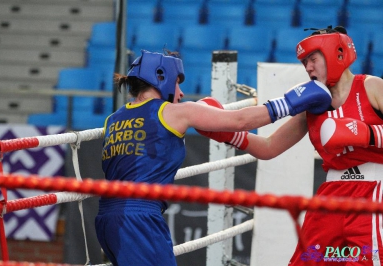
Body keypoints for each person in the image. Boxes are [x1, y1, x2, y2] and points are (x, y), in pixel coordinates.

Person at [94, 49, 332, 266]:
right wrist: (293, 100)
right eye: (177, 83)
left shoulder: (113, 119)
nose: (181, 92)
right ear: (161, 77)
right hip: (139, 218)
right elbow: (241, 120)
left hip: (106, 218)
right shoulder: (175, 111)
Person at [198, 25, 383, 265]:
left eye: (313, 59)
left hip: (374, 192)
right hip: (331, 196)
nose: (308, 68)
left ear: (336, 53)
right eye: (304, 62)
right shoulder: (313, 105)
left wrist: (368, 134)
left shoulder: (372, 87)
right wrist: (227, 135)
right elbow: (269, 146)